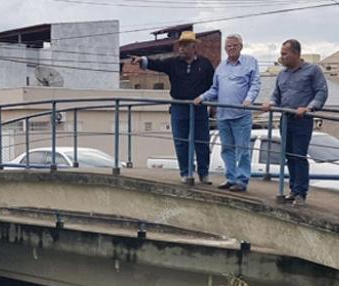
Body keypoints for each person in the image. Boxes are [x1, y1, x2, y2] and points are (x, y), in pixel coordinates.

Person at [131, 31, 214, 184]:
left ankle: (204, 173)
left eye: (185, 46)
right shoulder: (173, 63)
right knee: (181, 141)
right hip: (179, 106)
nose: (181, 49)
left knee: (202, 141)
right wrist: (142, 60)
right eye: (180, 46)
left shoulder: (205, 64)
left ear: (193, 47)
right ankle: (186, 173)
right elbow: (158, 63)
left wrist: (209, 100)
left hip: (199, 107)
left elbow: (213, 86)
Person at [262, 39, 328, 206]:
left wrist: (309, 107)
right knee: (289, 155)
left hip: (302, 120)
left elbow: (321, 91)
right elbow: (276, 94)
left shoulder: (312, 70)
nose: (282, 57)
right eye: (281, 53)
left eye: (285, 53)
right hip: (286, 118)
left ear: (296, 54)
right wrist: (271, 102)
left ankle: (301, 193)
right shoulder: (282, 74)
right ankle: (292, 190)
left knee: (299, 155)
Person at [193, 34, 260, 192]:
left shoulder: (250, 62)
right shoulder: (221, 67)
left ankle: (242, 180)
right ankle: (231, 177)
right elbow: (215, 89)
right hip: (223, 115)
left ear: (241, 46)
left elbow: (255, 84)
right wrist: (202, 97)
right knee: (227, 149)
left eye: (234, 46)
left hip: (241, 114)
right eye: (228, 46)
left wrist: (249, 99)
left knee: (242, 149)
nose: (231, 48)